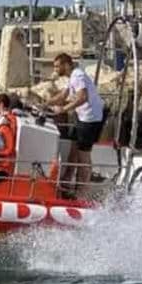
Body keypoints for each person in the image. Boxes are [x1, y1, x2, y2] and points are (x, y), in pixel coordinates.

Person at [45, 53, 105, 193]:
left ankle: (82, 191)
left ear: (66, 65)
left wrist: (63, 109)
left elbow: (83, 97)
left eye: (57, 66)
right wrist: (46, 103)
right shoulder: (72, 77)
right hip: (81, 117)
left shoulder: (77, 76)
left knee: (83, 155)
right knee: (73, 149)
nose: (55, 69)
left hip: (89, 119)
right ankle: (66, 182)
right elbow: (63, 95)